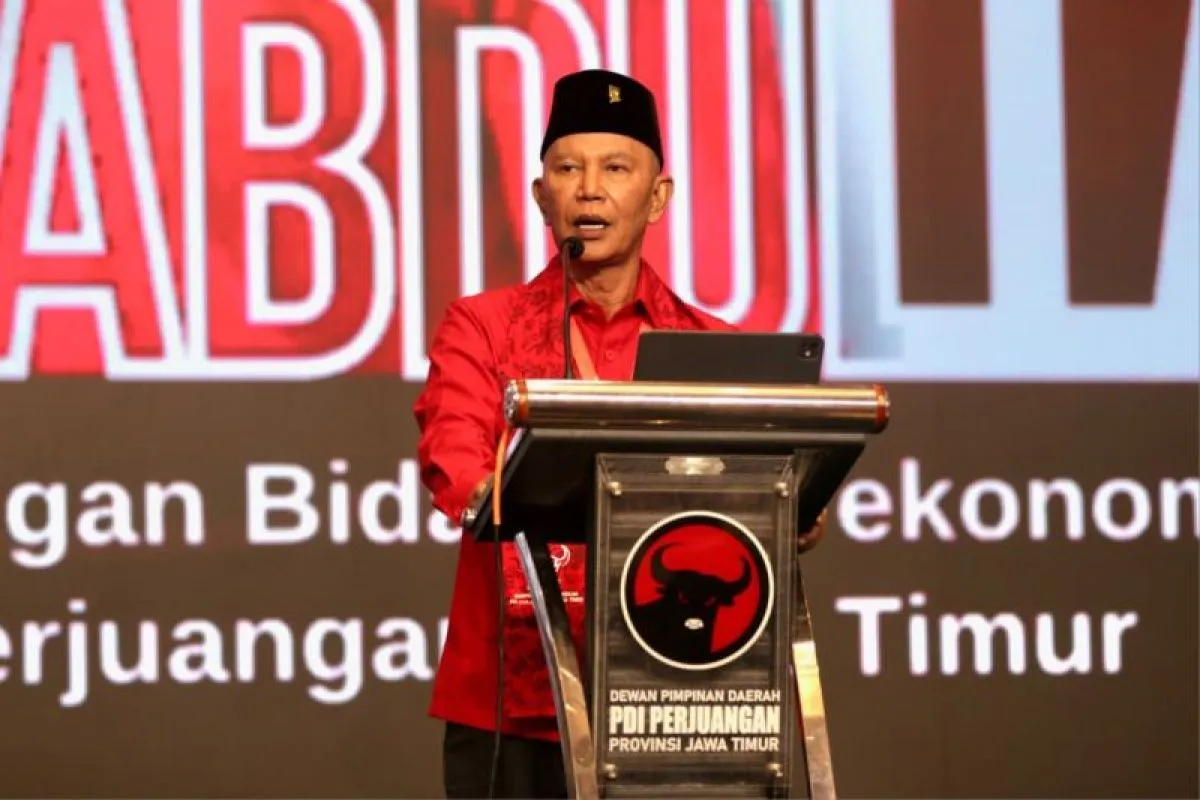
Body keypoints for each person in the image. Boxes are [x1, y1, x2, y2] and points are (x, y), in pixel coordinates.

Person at [413, 69, 826, 799]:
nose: (589, 191)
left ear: (657, 197)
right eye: (567, 169)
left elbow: (770, 504)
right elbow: (456, 462)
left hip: (680, 699)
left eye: (615, 169)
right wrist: (511, 488)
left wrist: (794, 504)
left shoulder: (711, 347)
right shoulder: (483, 327)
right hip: (517, 702)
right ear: (541, 195)